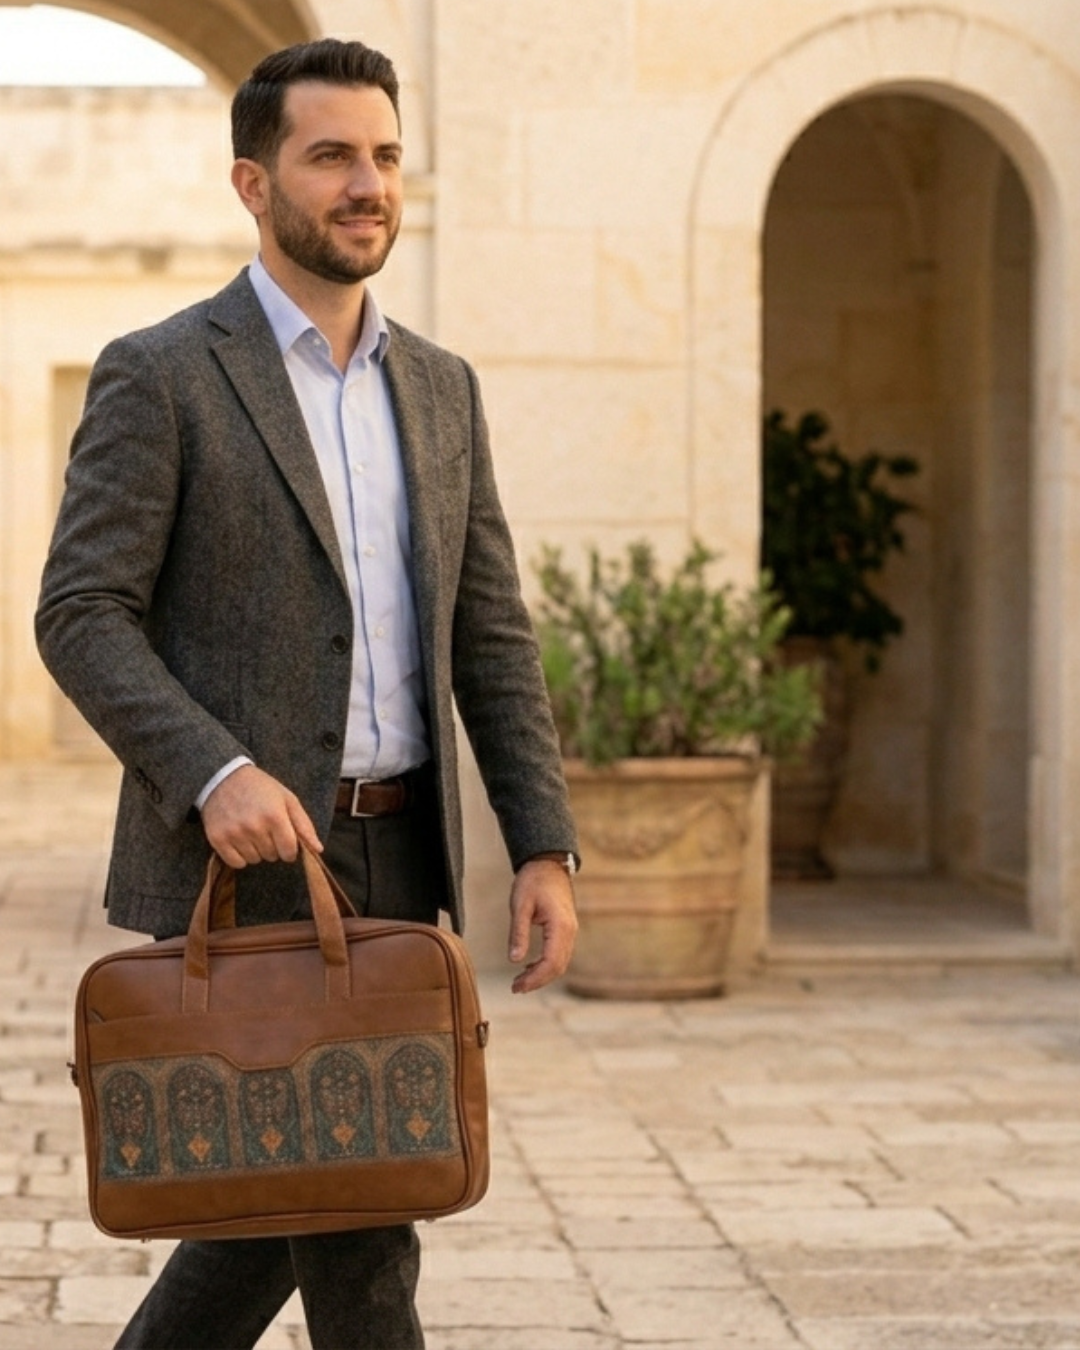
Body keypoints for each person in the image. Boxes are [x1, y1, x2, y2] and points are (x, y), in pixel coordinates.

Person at [36, 36, 578, 1350]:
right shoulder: (160, 373)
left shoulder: (441, 391)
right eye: (330, 154)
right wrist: (212, 768)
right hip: (251, 865)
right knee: (350, 1218)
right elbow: (79, 611)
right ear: (252, 181)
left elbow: (490, 634)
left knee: (292, 1211)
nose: (366, 183)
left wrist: (544, 839)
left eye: (385, 155)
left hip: (401, 856)